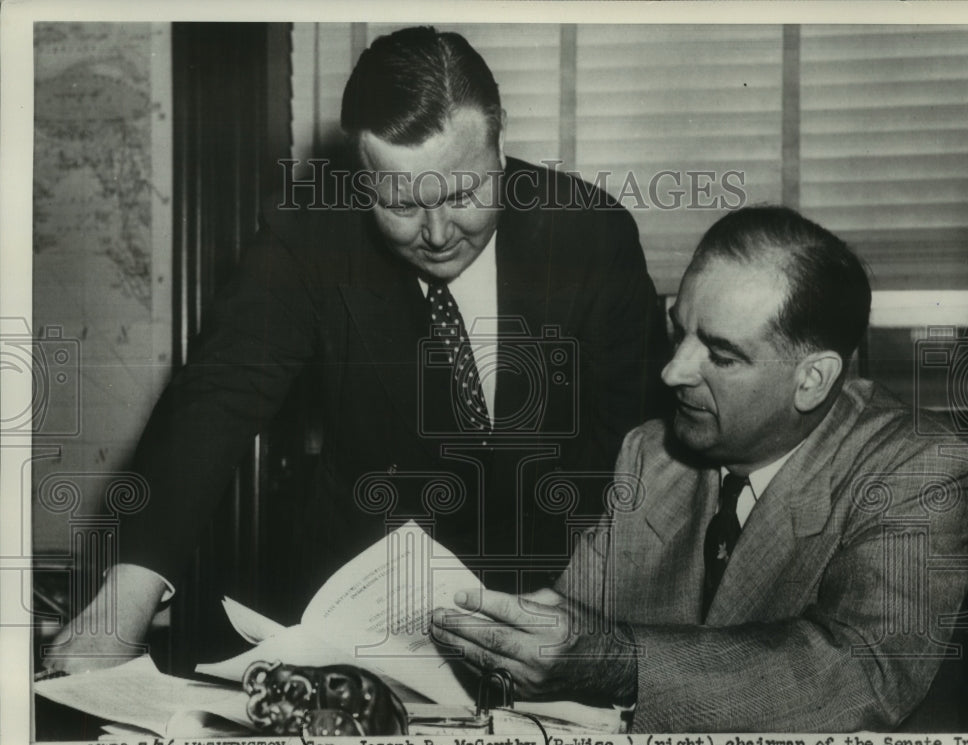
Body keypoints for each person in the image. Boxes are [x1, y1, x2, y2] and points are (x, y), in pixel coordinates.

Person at [46, 27, 667, 672]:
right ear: (361, 173)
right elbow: (214, 399)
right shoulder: (310, 237)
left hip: (557, 601)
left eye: (462, 194)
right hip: (359, 617)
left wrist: (591, 628)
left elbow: (639, 458)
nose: (437, 233)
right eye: (399, 203)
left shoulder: (590, 237)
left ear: (500, 142)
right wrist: (124, 598)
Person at [431, 205, 968, 732]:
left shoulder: (923, 473)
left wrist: (620, 664)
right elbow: (578, 626)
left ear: (813, 380)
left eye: (721, 356)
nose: (674, 372)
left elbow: (859, 676)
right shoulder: (652, 454)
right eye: (680, 332)